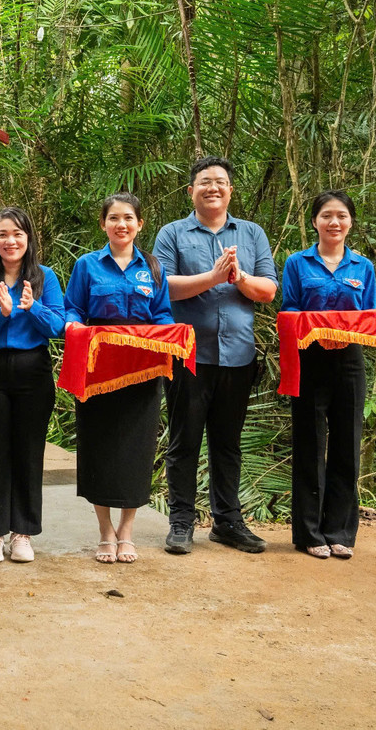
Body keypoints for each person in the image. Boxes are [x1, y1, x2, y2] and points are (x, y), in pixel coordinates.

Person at [154, 157, 278, 555]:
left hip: (238, 356)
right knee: (184, 441)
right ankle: (181, 521)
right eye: (205, 182)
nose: (213, 187)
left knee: (227, 444)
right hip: (188, 355)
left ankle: (227, 522)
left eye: (221, 182)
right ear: (191, 190)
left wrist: (239, 277)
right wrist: (212, 276)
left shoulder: (252, 233)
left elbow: (268, 290)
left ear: (230, 190)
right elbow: (165, 287)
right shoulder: (172, 233)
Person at [63, 192, 174, 564]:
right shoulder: (87, 265)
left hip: (141, 370)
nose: (121, 224)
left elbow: (162, 315)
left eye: (128, 218)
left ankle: (126, 531)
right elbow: (73, 308)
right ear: (103, 224)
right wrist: (74, 325)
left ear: (140, 224)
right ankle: (104, 531)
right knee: (99, 447)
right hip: (98, 369)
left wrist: (168, 334)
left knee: (135, 449)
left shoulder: (154, 268)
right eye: (113, 218)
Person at [281, 190, 376, 560]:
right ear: (314, 222)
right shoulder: (297, 262)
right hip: (310, 356)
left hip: (350, 359)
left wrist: (346, 338)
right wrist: (320, 334)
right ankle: (309, 533)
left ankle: (340, 532)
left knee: (347, 443)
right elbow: (290, 311)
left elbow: (368, 317)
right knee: (309, 443)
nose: (334, 222)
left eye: (341, 216)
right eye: (326, 216)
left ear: (350, 221)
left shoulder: (362, 266)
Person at [0, 207, 66, 564]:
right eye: (3, 235)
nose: (10, 241)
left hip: (33, 371)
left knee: (28, 451)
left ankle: (22, 532)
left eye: (18, 234)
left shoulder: (45, 278)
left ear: (29, 239)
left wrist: (31, 308)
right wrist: (2, 313)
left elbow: (58, 325)